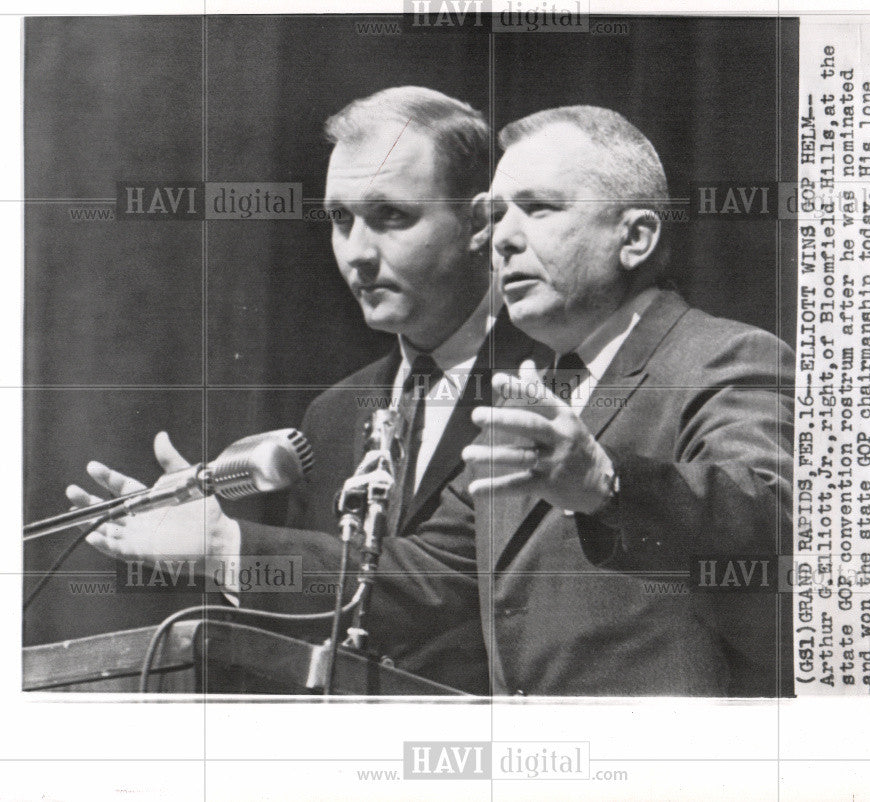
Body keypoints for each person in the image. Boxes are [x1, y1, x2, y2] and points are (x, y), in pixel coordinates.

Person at [67, 87, 536, 694]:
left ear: (479, 223)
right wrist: (208, 548)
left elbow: (448, 582)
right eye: (341, 220)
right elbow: (308, 636)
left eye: (391, 216)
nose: (357, 254)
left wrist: (228, 546)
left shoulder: (550, 381)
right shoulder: (335, 415)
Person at [448, 105, 795, 696]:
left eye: (537, 208)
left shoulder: (729, 355)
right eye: (497, 215)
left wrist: (608, 484)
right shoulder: (532, 403)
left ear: (635, 237)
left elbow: (774, 518)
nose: (501, 239)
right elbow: (428, 570)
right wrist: (238, 549)